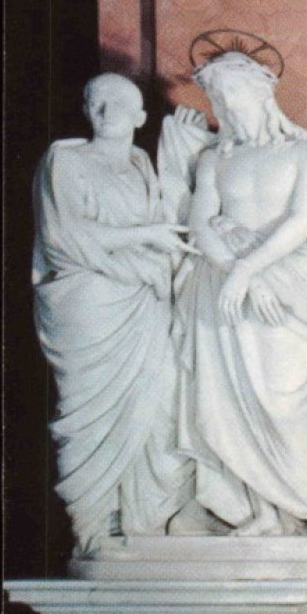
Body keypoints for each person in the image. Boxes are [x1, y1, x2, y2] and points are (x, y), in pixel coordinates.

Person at [177, 50, 307, 536]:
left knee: (282, 406)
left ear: (262, 93)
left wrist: (249, 270)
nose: (225, 108)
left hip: (290, 293)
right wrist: (240, 275)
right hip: (229, 294)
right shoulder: (215, 159)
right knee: (231, 405)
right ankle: (263, 513)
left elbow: (302, 221)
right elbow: (200, 224)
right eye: (216, 98)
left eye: (232, 94)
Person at [31, 74, 196, 554]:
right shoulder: (65, 158)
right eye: (96, 102)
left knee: (162, 401)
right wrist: (142, 239)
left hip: (143, 303)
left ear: (141, 116)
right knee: (88, 418)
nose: (105, 112)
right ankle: (93, 527)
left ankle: (146, 522)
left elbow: (176, 217)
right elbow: (65, 238)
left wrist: (183, 141)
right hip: (90, 306)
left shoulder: (143, 163)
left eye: (118, 103)